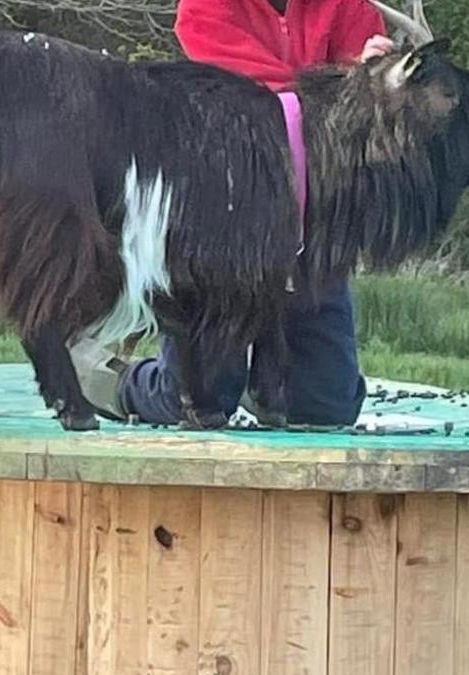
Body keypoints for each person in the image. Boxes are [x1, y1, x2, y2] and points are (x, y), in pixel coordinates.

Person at [72, 0, 394, 428]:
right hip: (221, 220)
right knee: (190, 402)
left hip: (314, 223)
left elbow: (363, 120)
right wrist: (359, 86)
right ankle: (102, 377)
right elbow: (261, 99)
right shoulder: (205, 5)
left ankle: (268, 385)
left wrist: (384, 83)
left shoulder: (351, 7)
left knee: (323, 408)